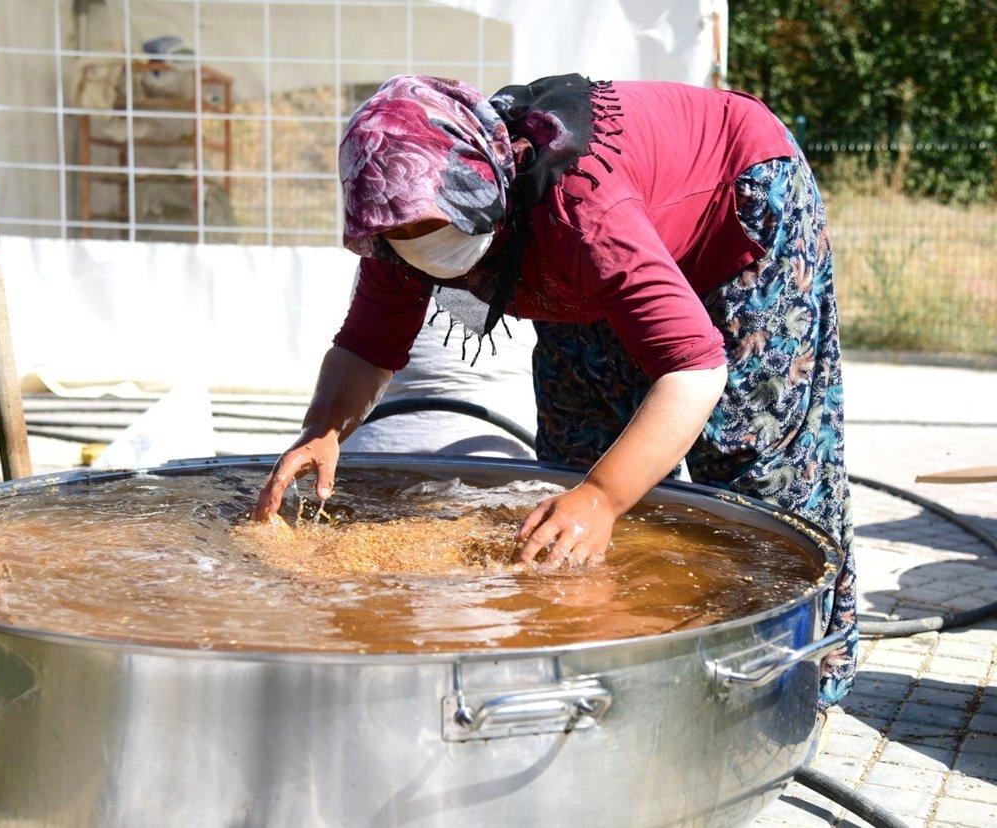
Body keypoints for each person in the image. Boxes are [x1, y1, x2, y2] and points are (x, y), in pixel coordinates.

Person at [253, 74, 856, 710]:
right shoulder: (403, 213)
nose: (423, 252)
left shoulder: (582, 209)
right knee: (575, 456)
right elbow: (366, 348)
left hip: (733, 203)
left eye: (437, 231)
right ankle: (609, 670)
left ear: (483, 184)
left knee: (747, 456)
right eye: (407, 242)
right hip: (581, 254)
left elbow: (694, 368)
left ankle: (787, 685)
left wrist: (604, 498)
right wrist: (321, 429)